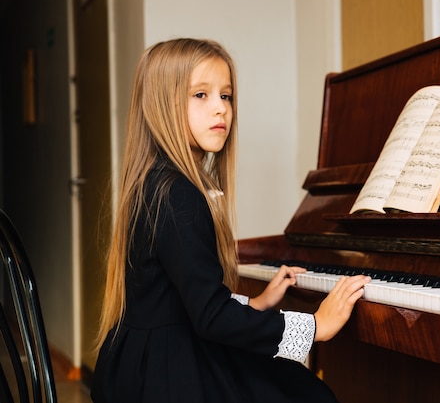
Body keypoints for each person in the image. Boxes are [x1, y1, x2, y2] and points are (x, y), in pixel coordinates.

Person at [90, 38, 371, 403]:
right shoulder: (178, 195)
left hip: (142, 359)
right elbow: (209, 316)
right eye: (200, 95)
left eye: (226, 96)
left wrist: (253, 305)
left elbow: (186, 298)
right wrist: (316, 326)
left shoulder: (156, 182)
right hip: (166, 375)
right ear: (162, 105)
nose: (220, 109)